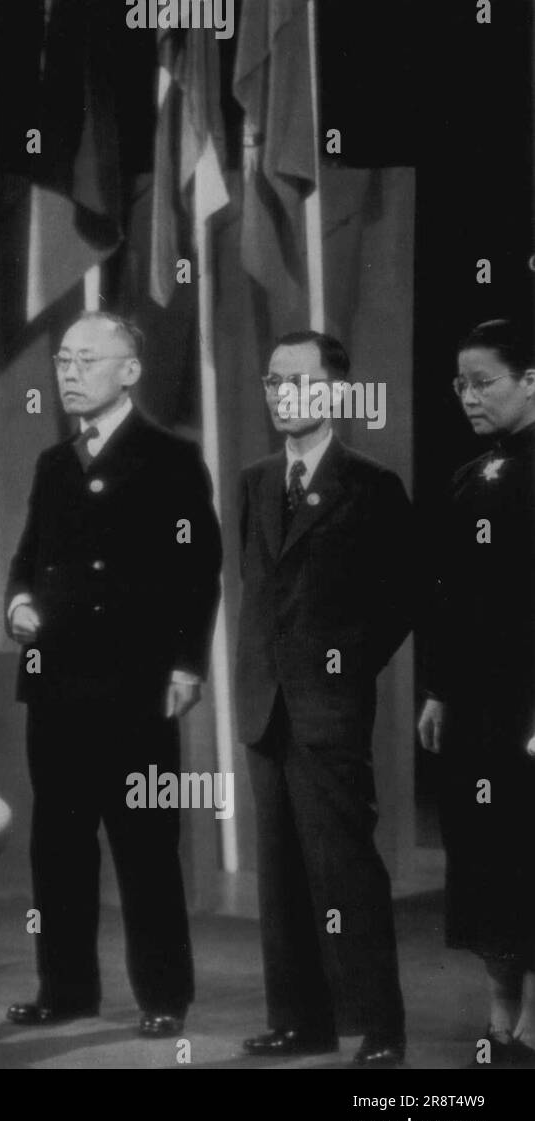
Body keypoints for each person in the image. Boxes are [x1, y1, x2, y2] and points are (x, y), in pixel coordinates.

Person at [4, 311, 222, 1036]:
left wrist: (188, 663)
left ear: (129, 371)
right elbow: (29, 557)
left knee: (144, 847)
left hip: (135, 685)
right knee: (59, 848)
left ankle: (164, 996)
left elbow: (199, 572)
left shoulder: (169, 456)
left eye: (86, 360)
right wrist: (18, 604)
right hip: (58, 684)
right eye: (63, 360)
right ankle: (64, 988)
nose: (68, 372)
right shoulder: (54, 464)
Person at [237, 330, 413, 1067]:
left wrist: (341, 672)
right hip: (264, 706)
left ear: (334, 391)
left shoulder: (370, 485)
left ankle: (379, 1026)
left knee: (344, 866)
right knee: (280, 876)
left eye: (298, 381)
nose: (283, 394)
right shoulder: (252, 481)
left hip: (327, 707)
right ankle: (299, 1020)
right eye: (273, 381)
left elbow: (399, 599)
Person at [418, 318, 535, 1066]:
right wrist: (439, 689)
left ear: (531, 379)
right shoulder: (470, 476)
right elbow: (451, 597)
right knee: (485, 857)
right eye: (460, 383)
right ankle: (501, 1013)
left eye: (484, 380)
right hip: (478, 706)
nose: (468, 396)